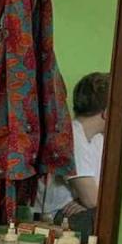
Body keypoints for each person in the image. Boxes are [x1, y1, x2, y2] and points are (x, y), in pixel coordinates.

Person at [43, 71, 109, 227]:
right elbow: (92, 200)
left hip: (81, 212)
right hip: (58, 217)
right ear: (106, 113)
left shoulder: (98, 139)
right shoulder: (71, 136)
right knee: (106, 218)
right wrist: (90, 202)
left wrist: (87, 202)